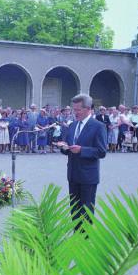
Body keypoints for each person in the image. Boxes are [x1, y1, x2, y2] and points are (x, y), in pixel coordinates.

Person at [57, 94, 107, 228]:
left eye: (78, 110)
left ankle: (85, 243)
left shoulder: (98, 126)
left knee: (86, 212)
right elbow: (68, 146)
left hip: (88, 177)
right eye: (74, 109)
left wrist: (82, 150)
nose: (75, 113)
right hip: (73, 174)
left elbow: (101, 152)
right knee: (74, 211)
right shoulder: (72, 125)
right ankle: (76, 239)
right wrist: (64, 147)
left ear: (88, 109)